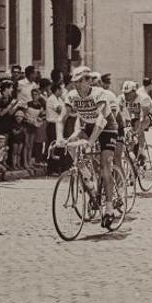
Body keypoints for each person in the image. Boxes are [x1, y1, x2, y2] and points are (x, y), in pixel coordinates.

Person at [56, 66, 121, 228]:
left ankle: (109, 208)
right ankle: (87, 176)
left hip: (106, 127)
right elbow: (61, 119)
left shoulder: (99, 93)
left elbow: (100, 120)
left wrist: (90, 142)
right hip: (87, 127)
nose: (77, 85)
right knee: (70, 146)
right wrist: (59, 138)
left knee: (106, 164)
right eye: (74, 82)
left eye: (80, 82)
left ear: (88, 81)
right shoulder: (71, 96)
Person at [119, 80, 152, 161]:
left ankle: (142, 152)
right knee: (129, 132)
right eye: (125, 93)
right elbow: (119, 112)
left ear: (134, 92)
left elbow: (143, 116)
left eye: (128, 94)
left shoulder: (143, 98)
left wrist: (137, 131)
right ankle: (133, 161)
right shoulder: (122, 98)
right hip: (135, 116)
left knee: (138, 125)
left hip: (150, 115)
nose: (126, 96)